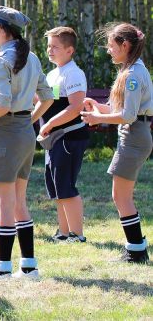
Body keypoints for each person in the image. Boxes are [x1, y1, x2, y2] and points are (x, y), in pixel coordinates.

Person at [0, 6, 53, 280]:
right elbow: (47, 98)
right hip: (24, 133)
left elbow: (1, 105)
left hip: (5, 132)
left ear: (5, 30)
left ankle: (3, 270)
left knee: (6, 204)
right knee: (19, 202)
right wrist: (29, 121)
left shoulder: (1, 59)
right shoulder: (33, 57)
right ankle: (29, 266)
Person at [81, 23, 152, 264]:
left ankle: (136, 250)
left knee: (121, 196)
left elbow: (129, 115)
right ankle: (137, 246)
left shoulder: (132, 75)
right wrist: (98, 107)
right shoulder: (129, 70)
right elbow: (119, 110)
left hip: (134, 135)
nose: (108, 50)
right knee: (121, 195)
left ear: (126, 45)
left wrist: (97, 118)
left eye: (111, 46)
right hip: (133, 134)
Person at [38, 27, 89, 243]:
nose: (50, 50)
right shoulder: (52, 74)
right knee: (57, 185)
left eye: (55, 46)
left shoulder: (74, 73)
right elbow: (45, 102)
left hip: (69, 137)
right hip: (54, 138)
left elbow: (75, 107)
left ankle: (78, 235)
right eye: (48, 46)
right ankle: (64, 232)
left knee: (66, 184)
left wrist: (48, 124)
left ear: (69, 50)